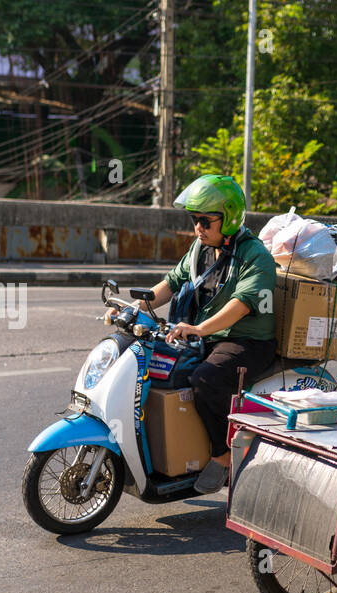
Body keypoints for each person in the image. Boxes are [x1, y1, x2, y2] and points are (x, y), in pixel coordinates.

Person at [109, 174, 277, 494]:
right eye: (194, 219)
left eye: (205, 220)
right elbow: (171, 284)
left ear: (227, 218)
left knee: (205, 379)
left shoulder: (254, 256)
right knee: (160, 368)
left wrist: (198, 328)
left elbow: (242, 305)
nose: (198, 227)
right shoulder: (201, 248)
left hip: (247, 340)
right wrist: (131, 310)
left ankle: (222, 456)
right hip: (210, 336)